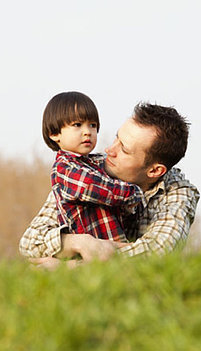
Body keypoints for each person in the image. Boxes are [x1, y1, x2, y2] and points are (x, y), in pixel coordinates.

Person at [19, 101, 200, 267]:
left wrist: (69, 267)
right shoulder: (86, 173)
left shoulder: (178, 192)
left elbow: (157, 252)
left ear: (154, 171)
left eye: (124, 149)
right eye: (116, 139)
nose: (109, 150)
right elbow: (30, 242)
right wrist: (80, 243)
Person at [42, 91, 144, 242]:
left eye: (92, 125)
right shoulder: (64, 168)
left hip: (115, 242)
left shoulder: (96, 162)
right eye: (77, 125)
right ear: (54, 133)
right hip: (89, 250)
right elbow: (90, 186)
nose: (87, 132)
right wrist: (132, 192)